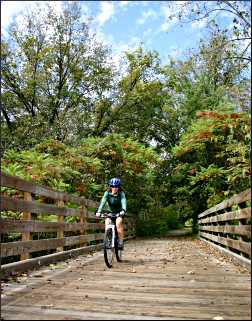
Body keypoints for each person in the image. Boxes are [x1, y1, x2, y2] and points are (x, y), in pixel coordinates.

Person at [96, 178, 126, 249]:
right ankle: (109, 240)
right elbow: (103, 202)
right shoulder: (107, 193)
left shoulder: (121, 193)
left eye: (116, 186)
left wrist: (123, 210)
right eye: (112, 186)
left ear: (119, 187)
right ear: (110, 186)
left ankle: (121, 242)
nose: (114, 188)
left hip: (119, 212)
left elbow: (123, 201)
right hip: (109, 213)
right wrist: (99, 211)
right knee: (107, 223)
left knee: (118, 223)